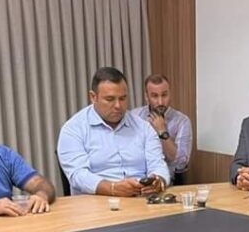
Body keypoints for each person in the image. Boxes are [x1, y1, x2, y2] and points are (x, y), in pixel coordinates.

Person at [58, 67, 170, 196]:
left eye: (122, 98)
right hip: (95, 201)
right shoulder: (73, 129)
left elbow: (158, 164)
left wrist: (158, 180)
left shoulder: (144, 127)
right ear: (93, 97)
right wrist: (112, 188)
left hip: (141, 198)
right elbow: (78, 175)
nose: (118, 106)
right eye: (110, 99)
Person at [129, 74, 192, 185]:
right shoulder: (134, 117)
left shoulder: (181, 121)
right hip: (134, 180)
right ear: (146, 97)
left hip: (166, 182)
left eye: (164, 95)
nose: (161, 102)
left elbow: (180, 164)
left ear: (170, 93)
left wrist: (163, 132)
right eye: (154, 96)